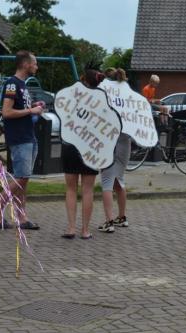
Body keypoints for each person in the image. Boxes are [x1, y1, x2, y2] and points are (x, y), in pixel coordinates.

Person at [0, 51, 44, 230]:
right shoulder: (12, 84)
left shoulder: (22, 85)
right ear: (26, 64)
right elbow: (7, 112)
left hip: (29, 136)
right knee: (21, 178)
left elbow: (19, 109)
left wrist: (32, 106)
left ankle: (22, 217)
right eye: (34, 63)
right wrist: (30, 112)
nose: (36, 66)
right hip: (20, 138)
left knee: (23, 179)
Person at [61, 67, 102, 240]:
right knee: (88, 190)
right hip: (91, 147)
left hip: (71, 145)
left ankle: (71, 228)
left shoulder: (72, 95)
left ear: (83, 79)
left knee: (71, 189)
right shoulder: (101, 99)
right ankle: (85, 230)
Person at [98, 68, 132, 233]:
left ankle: (109, 221)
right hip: (125, 141)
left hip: (109, 141)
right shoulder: (127, 96)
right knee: (119, 178)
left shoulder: (104, 96)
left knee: (106, 182)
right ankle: (122, 217)